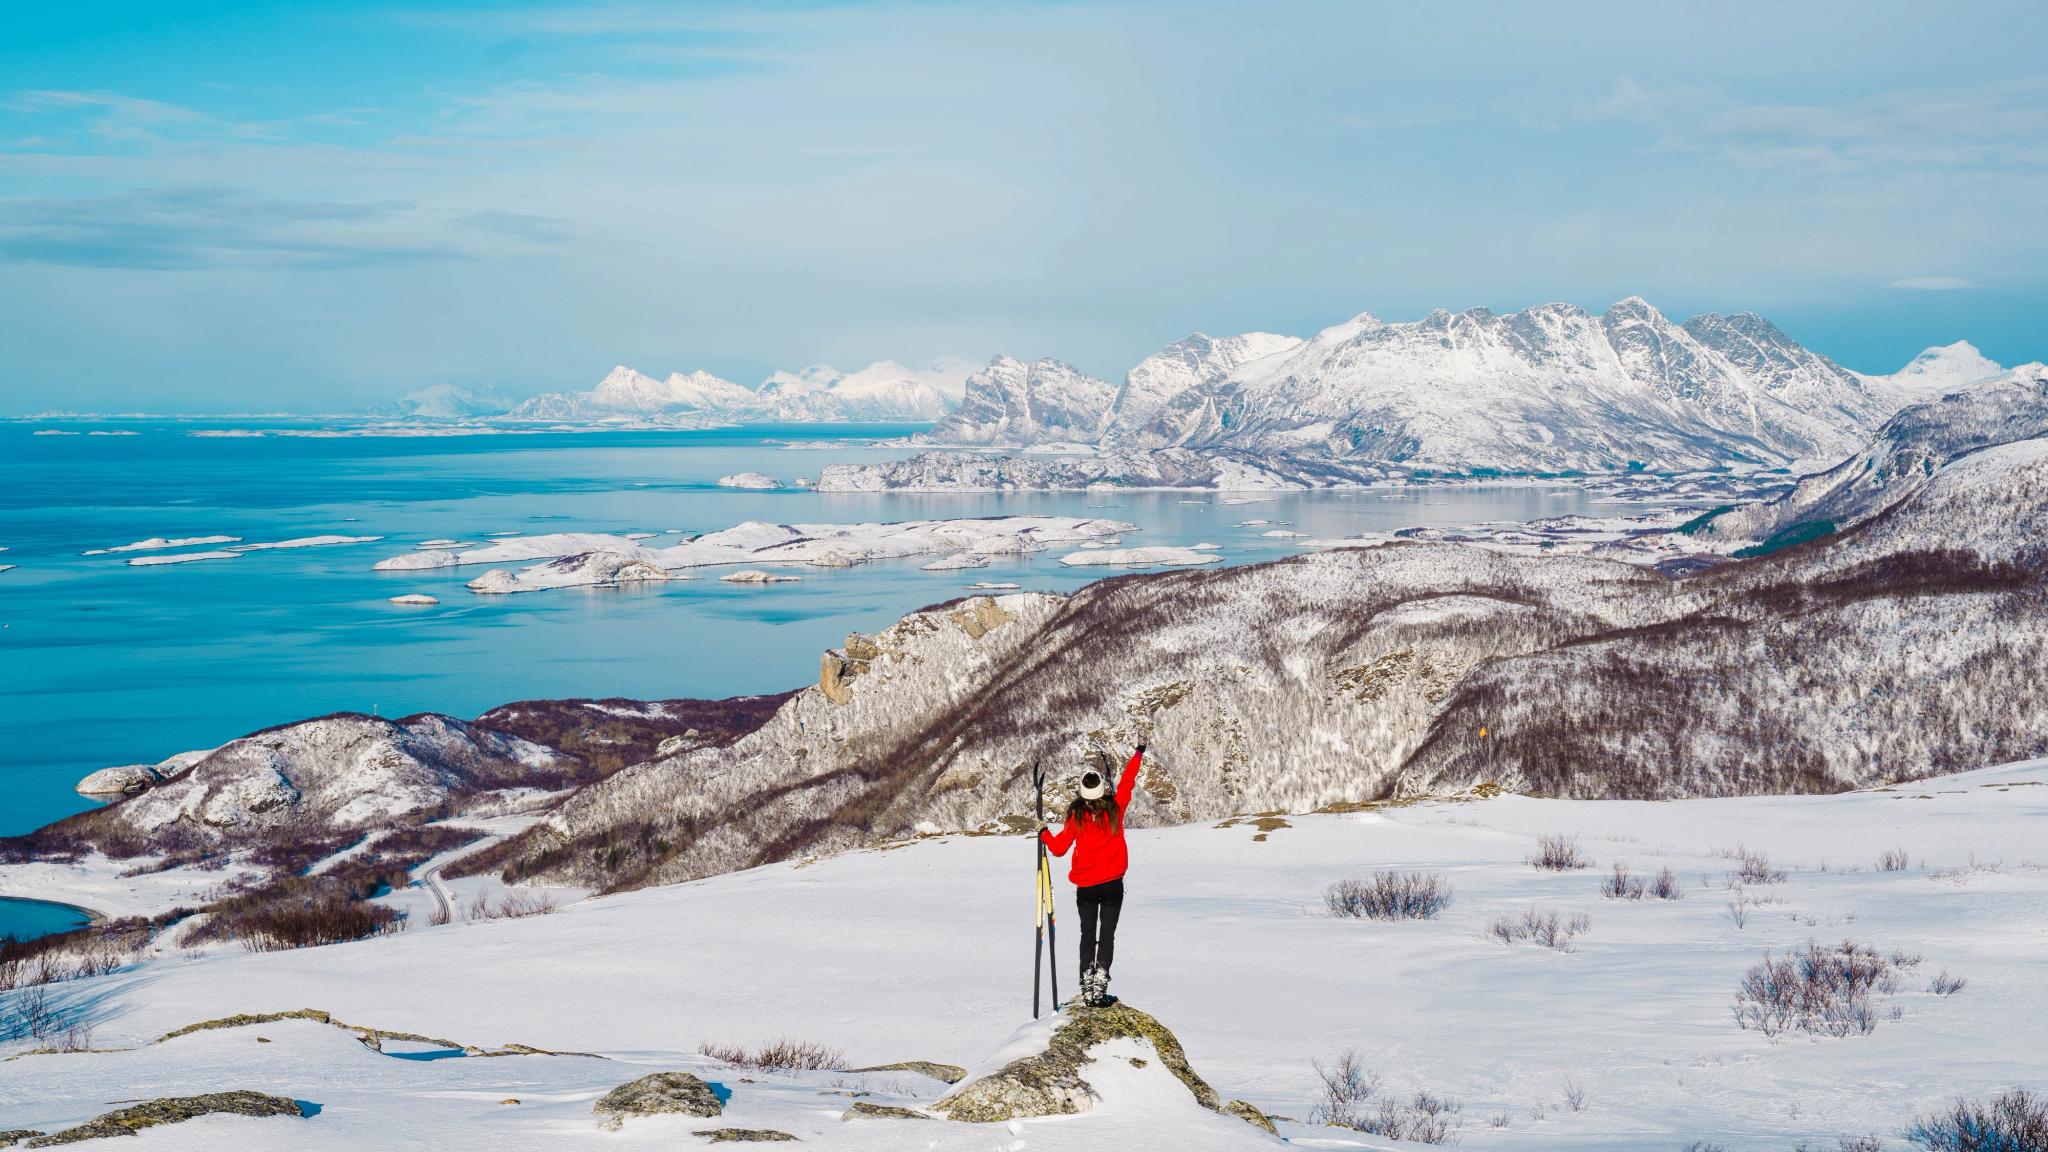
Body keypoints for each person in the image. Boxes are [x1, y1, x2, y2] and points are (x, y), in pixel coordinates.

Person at [1040, 743, 1144, 1007]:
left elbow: (1060, 848)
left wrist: (1044, 834)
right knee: (1107, 934)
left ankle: (1086, 979)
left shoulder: (1076, 815)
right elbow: (1127, 783)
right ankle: (1101, 979)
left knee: (1088, 934)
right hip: (1112, 885)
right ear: (1101, 789)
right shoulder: (1115, 809)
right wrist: (1138, 754)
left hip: (1086, 886)